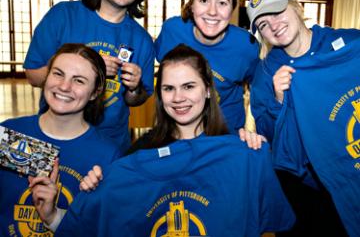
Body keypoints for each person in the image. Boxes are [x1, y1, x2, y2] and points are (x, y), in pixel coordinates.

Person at [48, 44, 295, 236]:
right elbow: (99, 222)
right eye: (168, 88)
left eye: (188, 86)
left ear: (208, 90)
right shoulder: (137, 154)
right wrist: (97, 189)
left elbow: (262, 220)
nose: (178, 98)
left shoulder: (238, 152)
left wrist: (252, 147)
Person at [246, 0, 360, 237]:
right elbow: (267, 133)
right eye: (263, 25)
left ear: (295, 7)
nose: (273, 26)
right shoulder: (265, 71)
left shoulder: (348, 44)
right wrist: (278, 100)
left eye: (277, 12)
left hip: (350, 168)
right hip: (303, 184)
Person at [23, 0, 155, 152]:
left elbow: (136, 100)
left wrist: (134, 87)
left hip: (111, 145)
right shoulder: (63, 16)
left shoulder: (143, 40)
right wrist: (86, 65)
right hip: (53, 138)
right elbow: (33, 77)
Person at [0, 44, 121, 237]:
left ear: (95, 92)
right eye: (58, 74)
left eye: (79, 80)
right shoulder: (10, 133)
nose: (64, 86)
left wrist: (55, 215)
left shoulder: (107, 154)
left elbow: (105, 228)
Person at [155, 0, 259, 135]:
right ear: (192, 4)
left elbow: (261, 95)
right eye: (204, 0)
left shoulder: (246, 47)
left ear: (233, 7)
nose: (212, 11)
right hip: (177, 136)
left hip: (224, 138)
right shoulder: (172, 31)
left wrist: (255, 133)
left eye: (222, 3)